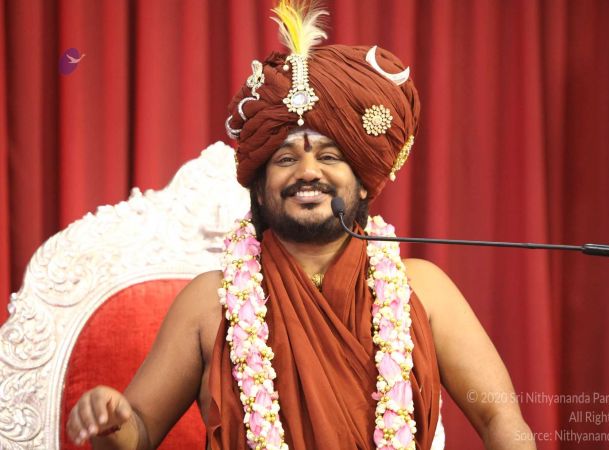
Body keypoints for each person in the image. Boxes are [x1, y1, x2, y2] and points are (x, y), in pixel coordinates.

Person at [67, 1, 534, 449]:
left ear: (365, 184)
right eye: (286, 159)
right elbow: (138, 432)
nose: (308, 172)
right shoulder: (209, 302)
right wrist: (114, 420)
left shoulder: (424, 290)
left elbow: (501, 419)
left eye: (329, 156)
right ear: (259, 188)